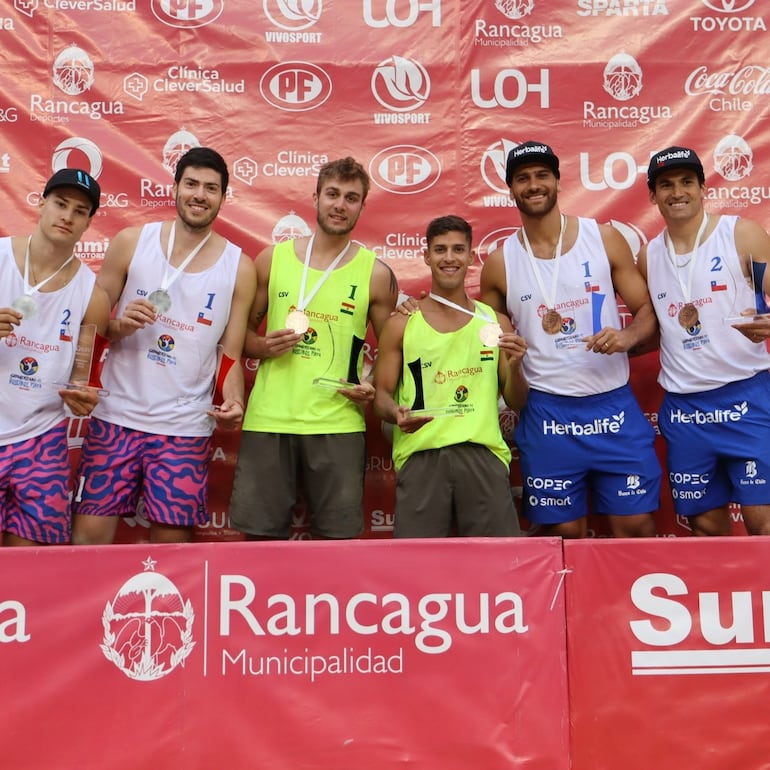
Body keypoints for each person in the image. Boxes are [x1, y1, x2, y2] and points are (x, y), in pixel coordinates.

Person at [71, 147, 256, 544]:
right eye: (191, 184)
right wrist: (119, 326)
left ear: (223, 198)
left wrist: (234, 401)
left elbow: (231, 356)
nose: (199, 195)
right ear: (175, 188)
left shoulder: (239, 268)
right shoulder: (132, 242)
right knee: (87, 541)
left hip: (184, 428)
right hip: (116, 416)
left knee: (172, 552)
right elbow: (91, 325)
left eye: (211, 188)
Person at [480, 140, 661, 538]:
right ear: (510, 189)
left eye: (542, 175)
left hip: (611, 403)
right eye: (522, 178)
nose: (533, 185)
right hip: (547, 413)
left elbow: (649, 311)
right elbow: (498, 349)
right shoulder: (499, 264)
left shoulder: (604, 238)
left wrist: (628, 335)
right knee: (563, 533)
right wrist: (511, 362)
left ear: (558, 181)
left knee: (635, 526)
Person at [229, 156, 398, 540]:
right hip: (269, 419)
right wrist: (263, 346)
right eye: (333, 194)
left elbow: (393, 351)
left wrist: (370, 381)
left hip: (338, 423)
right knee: (257, 542)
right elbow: (240, 340)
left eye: (351, 198)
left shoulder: (376, 274)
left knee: (336, 546)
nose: (340, 205)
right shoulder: (273, 260)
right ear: (316, 197)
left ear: (362, 205)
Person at [639, 145, 770, 536]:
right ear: (653, 195)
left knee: (763, 523)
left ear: (702, 188)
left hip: (747, 398)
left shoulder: (740, 233)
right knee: (706, 528)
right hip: (685, 409)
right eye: (666, 185)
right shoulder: (648, 256)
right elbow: (652, 327)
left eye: (686, 182)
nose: (677, 192)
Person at [374, 215, 526, 537]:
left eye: (458, 249)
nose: (449, 258)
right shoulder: (402, 324)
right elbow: (381, 396)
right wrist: (394, 412)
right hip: (421, 456)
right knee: (419, 569)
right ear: (427, 256)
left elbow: (516, 400)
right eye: (440, 249)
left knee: (497, 565)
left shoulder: (494, 321)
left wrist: (515, 367)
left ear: (471, 257)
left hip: (482, 454)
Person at [0, 168, 110, 546]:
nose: (67, 216)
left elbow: (84, 375)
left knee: (32, 566)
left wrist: (84, 395)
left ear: (89, 223)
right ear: (41, 204)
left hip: (41, 439)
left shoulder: (92, 295)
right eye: (61, 204)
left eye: (80, 211)